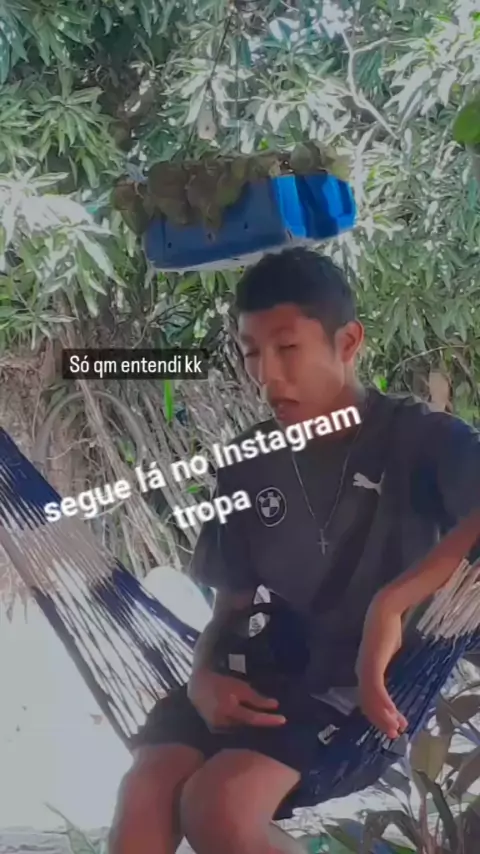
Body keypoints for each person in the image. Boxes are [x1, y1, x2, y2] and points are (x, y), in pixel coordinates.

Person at [109, 248, 480, 854]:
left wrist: (390, 606)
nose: (267, 376)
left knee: (219, 807)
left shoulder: (422, 440)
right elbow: (231, 606)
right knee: (144, 795)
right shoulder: (250, 461)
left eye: (287, 349)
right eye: (251, 352)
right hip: (258, 672)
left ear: (348, 342)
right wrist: (203, 677)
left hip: (356, 694)